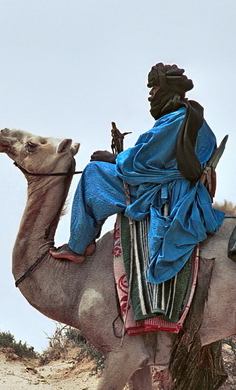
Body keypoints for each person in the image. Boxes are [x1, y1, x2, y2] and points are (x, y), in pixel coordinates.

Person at [50, 63, 225, 284]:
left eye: (154, 89)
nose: (150, 96)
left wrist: (113, 158)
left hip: (169, 192)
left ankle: (78, 244)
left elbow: (142, 161)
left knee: (94, 173)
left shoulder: (176, 120)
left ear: (167, 90)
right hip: (177, 186)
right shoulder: (190, 118)